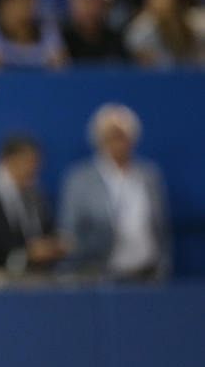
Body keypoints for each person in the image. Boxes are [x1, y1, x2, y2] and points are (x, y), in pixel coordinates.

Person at [58, 103, 171, 281]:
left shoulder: (149, 175)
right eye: (111, 137)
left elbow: (160, 227)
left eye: (122, 136)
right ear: (99, 139)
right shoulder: (80, 179)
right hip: (101, 275)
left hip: (148, 273)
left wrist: (162, 268)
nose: (118, 143)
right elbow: (69, 232)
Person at [0, 134, 65, 277]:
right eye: (26, 161)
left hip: (38, 280)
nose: (31, 168)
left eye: (34, 162)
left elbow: (47, 232)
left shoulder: (36, 198)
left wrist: (53, 246)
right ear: (7, 160)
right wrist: (27, 254)